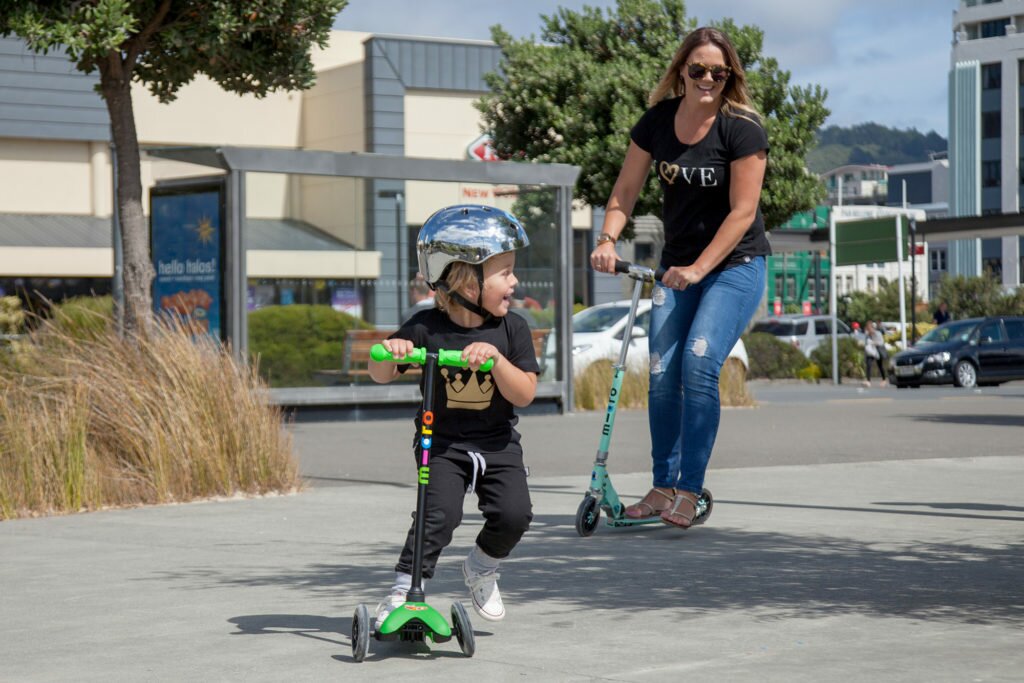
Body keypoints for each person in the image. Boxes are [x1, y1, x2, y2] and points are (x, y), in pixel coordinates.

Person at [591, 27, 769, 529]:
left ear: (729, 76)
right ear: (682, 72)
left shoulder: (742, 129)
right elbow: (625, 190)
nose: (708, 78)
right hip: (677, 269)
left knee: (698, 363)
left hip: (734, 267)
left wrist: (698, 269)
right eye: (698, 69)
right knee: (662, 371)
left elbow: (743, 212)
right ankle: (662, 486)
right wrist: (607, 239)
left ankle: (690, 490)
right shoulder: (658, 122)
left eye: (719, 72)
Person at [369, 204, 539, 626]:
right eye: (505, 273)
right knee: (439, 515)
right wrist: (391, 351)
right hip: (442, 443)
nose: (514, 281)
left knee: (515, 514)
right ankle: (402, 590)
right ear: (465, 280)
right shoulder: (426, 327)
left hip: (497, 443)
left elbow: (524, 394)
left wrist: (496, 360)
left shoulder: (512, 329)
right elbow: (380, 373)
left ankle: (481, 566)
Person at [862, 320, 888, 387]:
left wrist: (874, 343)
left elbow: (881, 342)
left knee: (880, 365)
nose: (869, 330)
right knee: (868, 364)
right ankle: (868, 381)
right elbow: (866, 343)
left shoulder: (878, 333)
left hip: (878, 351)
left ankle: (884, 379)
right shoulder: (867, 335)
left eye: (869, 328)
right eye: (868, 329)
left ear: (872, 328)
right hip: (871, 352)